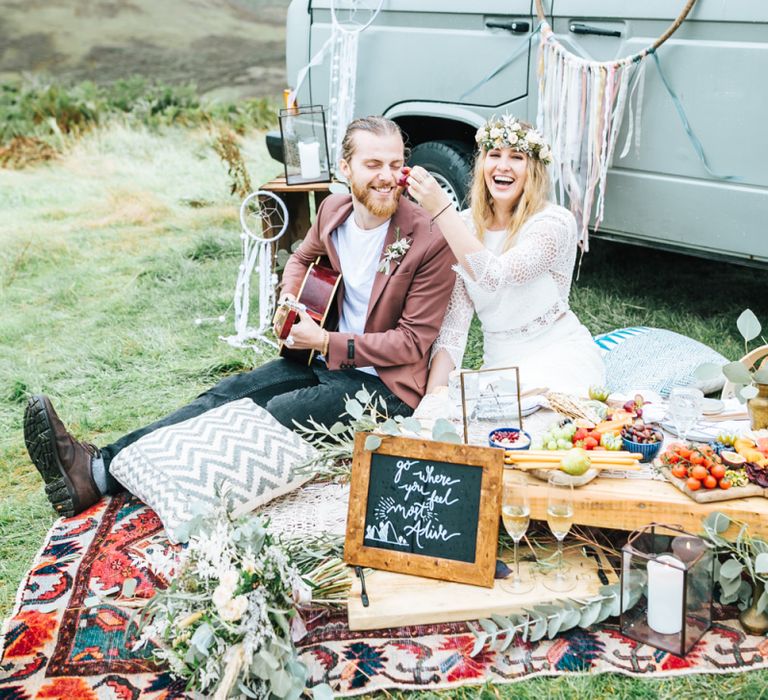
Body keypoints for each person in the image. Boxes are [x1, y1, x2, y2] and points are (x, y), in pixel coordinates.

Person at [23, 116, 456, 518]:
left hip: (384, 386)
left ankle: (123, 480)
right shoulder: (332, 211)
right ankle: (96, 470)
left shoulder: (428, 237)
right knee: (224, 396)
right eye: (373, 163)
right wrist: (290, 303)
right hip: (318, 359)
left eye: (396, 164)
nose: (387, 176)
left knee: (267, 416)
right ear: (345, 167)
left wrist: (324, 341)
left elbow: (412, 343)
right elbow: (299, 260)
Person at [405, 115, 605, 403]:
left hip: (559, 358)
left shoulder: (554, 223)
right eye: (494, 155)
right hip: (499, 367)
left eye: (517, 157)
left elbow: (493, 277)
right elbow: (453, 330)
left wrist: (441, 209)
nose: (503, 165)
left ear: (533, 169)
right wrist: (432, 400)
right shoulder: (465, 227)